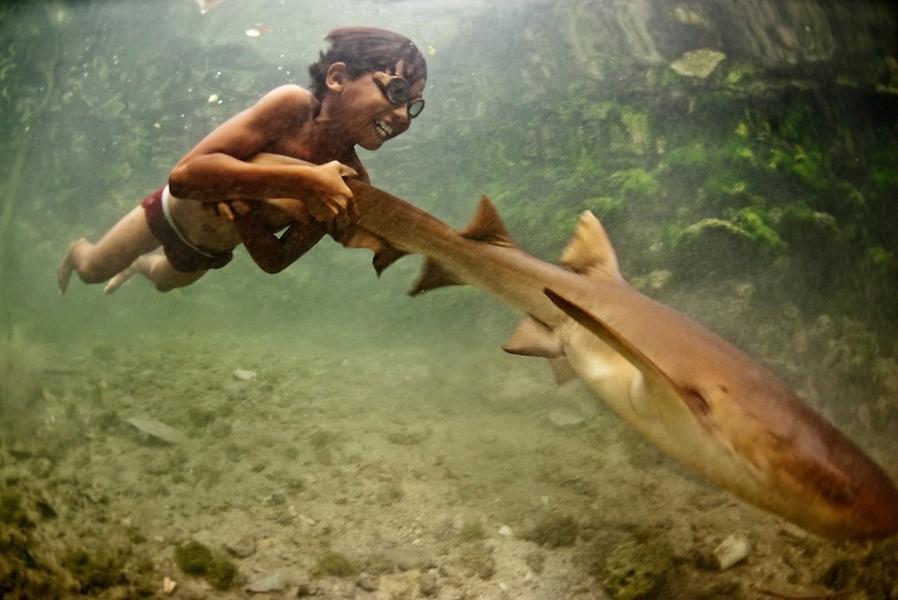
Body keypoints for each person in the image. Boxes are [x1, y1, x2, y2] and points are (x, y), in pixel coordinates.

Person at [58, 26, 427, 294]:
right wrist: (307, 181)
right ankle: (77, 248)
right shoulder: (292, 107)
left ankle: (139, 264)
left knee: (162, 281)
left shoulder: (351, 182)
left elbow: (275, 261)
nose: (404, 116)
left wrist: (248, 210)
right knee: (92, 270)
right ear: (338, 77)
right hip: (169, 213)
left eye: (414, 105)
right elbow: (185, 178)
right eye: (396, 90)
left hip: (208, 249)